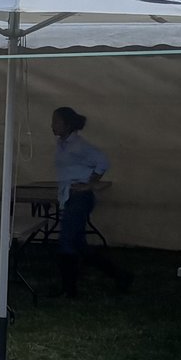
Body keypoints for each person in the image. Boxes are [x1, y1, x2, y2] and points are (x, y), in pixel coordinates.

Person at [51, 105, 130, 293]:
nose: (52, 125)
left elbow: (102, 161)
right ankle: (121, 275)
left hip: (80, 197)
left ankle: (68, 290)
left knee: (67, 241)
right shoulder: (63, 144)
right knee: (78, 244)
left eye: (56, 122)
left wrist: (89, 184)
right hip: (70, 196)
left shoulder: (78, 145)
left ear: (68, 124)